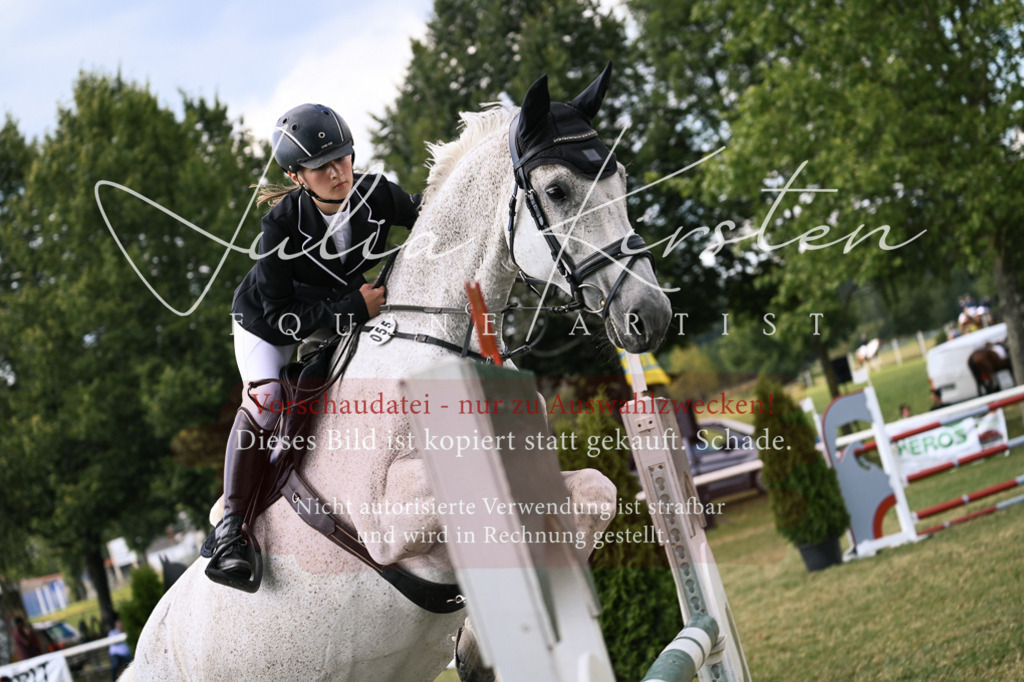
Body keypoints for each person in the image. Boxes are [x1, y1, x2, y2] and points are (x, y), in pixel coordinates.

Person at [205, 103, 421, 589]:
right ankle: (231, 534)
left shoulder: (376, 194)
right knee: (267, 402)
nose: (337, 171)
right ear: (296, 176)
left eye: (343, 158)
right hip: (269, 323)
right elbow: (284, 321)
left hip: (334, 309)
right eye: (322, 167)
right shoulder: (278, 228)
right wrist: (350, 310)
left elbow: (428, 222)